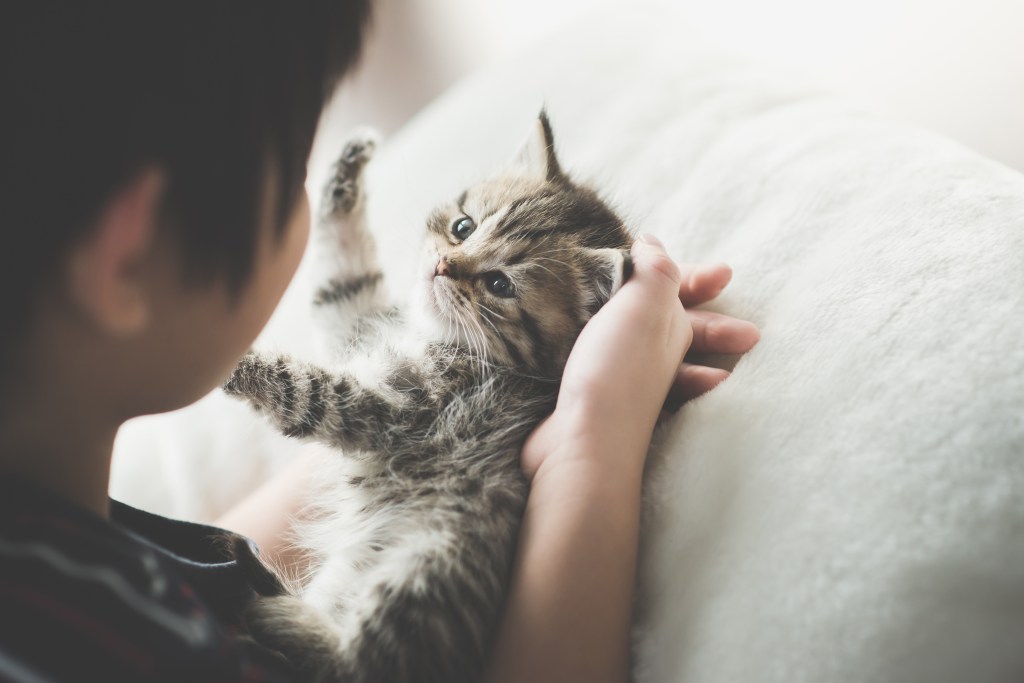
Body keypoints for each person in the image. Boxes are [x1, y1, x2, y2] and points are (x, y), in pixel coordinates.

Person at [0, 3, 760, 682]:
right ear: (128, 257)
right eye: (296, 163)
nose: (444, 261)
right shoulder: (126, 646)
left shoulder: (67, 559)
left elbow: (226, 575)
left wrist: (479, 411)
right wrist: (593, 435)